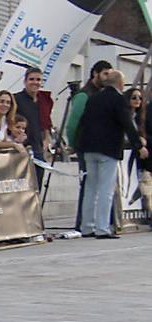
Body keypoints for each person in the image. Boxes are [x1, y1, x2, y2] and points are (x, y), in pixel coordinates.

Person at [79, 71, 147, 239]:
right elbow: (127, 124)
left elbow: (83, 121)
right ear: (120, 84)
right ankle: (102, 228)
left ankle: (87, 226)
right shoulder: (119, 100)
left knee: (90, 188)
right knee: (105, 189)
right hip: (108, 149)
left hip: (89, 148)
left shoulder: (93, 98)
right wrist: (138, 145)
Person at [68, 61, 113, 232]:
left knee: (96, 185)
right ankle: (84, 222)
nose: (108, 78)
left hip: (99, 145)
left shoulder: (102, 94)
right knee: (89, 184)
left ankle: (93, 222)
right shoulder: (84, 95)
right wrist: (73, 144)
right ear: (95, 73)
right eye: (105, 74)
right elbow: (73, 123)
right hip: (86, 146)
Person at [14, 67, 50, 163]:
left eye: (38, 80)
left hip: (39, 149)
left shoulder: (44, 100)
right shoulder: (15, 99)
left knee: (39, 177)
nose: (35, 82)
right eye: (31, 79)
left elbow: (46, 123)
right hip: (22, 148)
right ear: (25, 81)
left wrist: (46, 140)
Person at [130, 85, 152, 211]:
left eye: (139, 97)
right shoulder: (146, 111)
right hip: (146, 156)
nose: (137, 100)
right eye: (134, 97)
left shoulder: (144, 112)